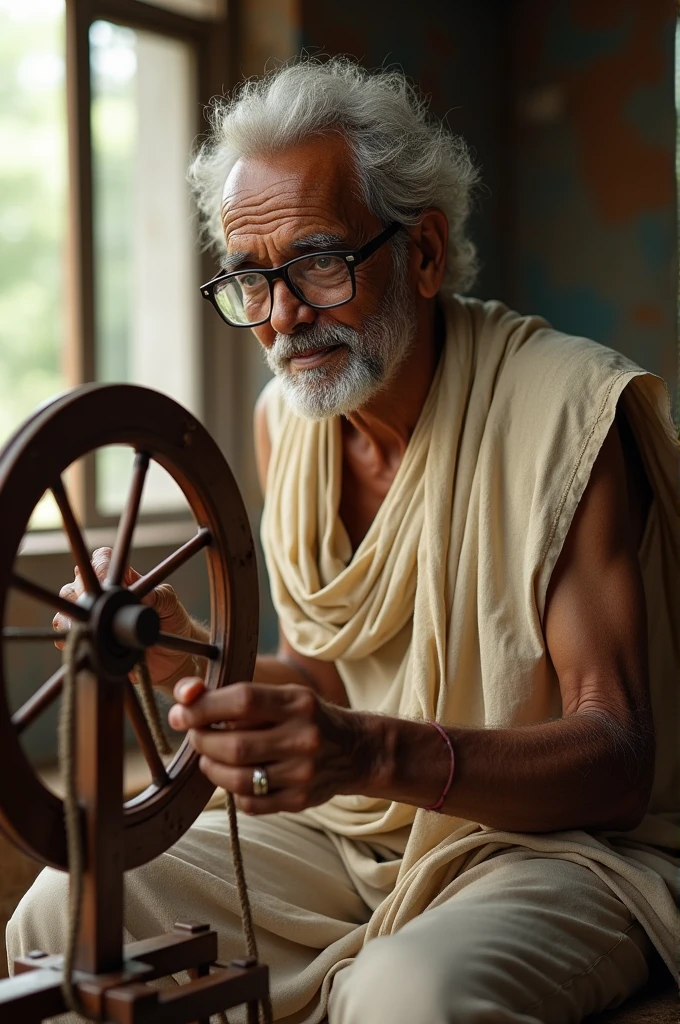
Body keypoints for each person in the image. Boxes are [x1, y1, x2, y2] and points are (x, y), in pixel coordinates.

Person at [8, 58, 680, 1024]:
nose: (282, 317)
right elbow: (327, 680)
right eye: (249, 279)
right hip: (357, 835)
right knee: (61, 913)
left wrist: (367, 751)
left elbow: (615, 759)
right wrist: (179, 650)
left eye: (318, 262)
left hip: (554, 848)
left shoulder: (566, 411)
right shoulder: (290, 422)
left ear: (425, 253)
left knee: (410, 997)